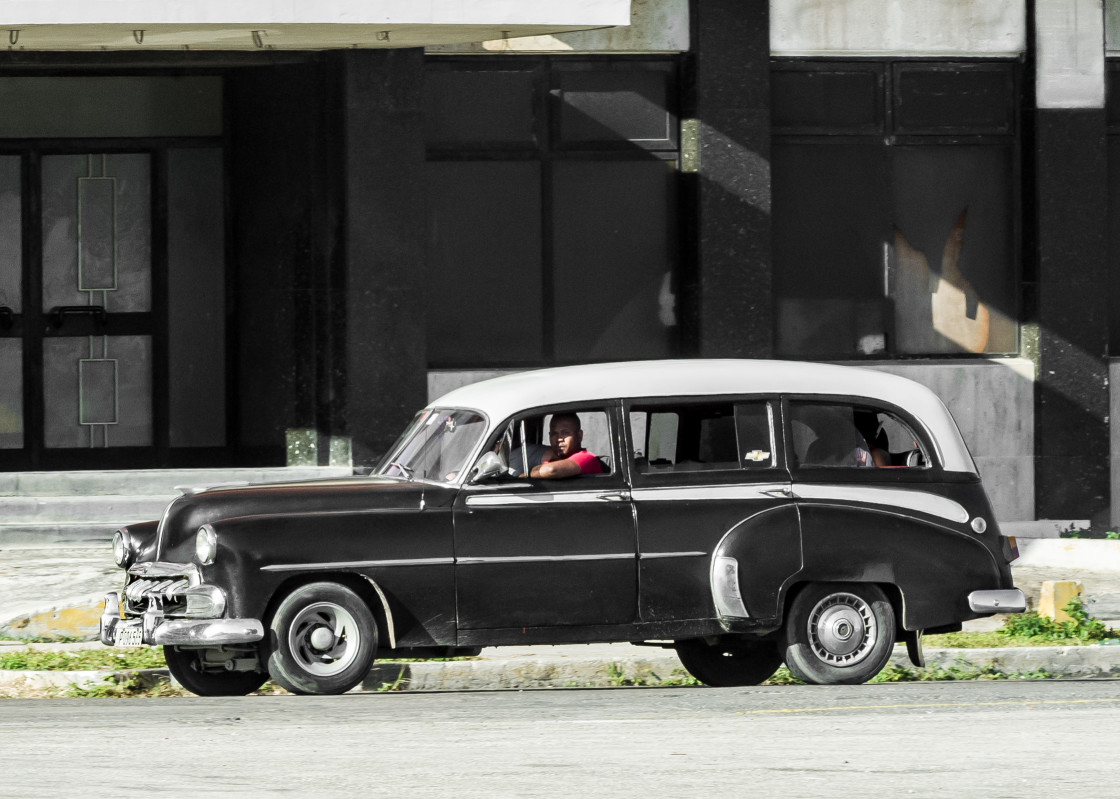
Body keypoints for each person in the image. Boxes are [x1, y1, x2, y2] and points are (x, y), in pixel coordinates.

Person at [529, 412, 603, 479]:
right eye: (554, 434)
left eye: (565, 433)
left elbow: (551, 470)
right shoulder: (552, 461)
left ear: (579, 436)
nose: (559, 439)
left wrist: (525, 474)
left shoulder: (587, 458)